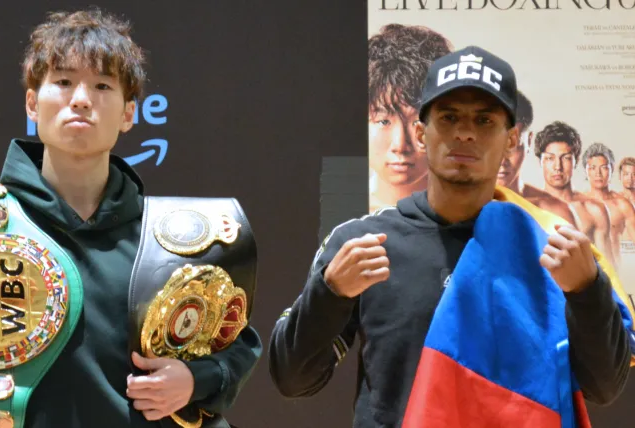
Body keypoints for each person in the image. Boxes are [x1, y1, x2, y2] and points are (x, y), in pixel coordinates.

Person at [0, 8, 260, 428]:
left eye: (102, 85)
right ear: (32, 102)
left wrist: (195, 379)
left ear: (130, 113)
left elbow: (237, 344)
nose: (80, 98)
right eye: (62, 82)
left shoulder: (166, 237)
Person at [269, 46, 633, 427]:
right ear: (422, 133)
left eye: (484, 120)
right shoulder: (365, 242)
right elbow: (293, 380)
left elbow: (605, 387)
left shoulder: (551, 246)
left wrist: (586, 290)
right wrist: (330, 293)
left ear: (511, 140)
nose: (464, 133)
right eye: (448, 117)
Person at [368, 24, 452, 212]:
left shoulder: (480, 214)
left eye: (418, 122)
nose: (400, 145)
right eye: (383, 121)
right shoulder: (336, 215)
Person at [534, 121, 616, 265]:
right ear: (540, 162)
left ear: (576, 161)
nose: (557, 166)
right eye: (549, 158)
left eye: (565, 158)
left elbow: (609, 269)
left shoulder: (595, 210)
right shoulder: (529, 207)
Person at [496, 90, 576, 225]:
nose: (503, 161)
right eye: (495, 145)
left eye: (513, 146)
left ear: (528, 141)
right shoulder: (461, 207)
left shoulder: (554, 211)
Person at [583, 142, 635, 268]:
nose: (598, 173)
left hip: (616, 275)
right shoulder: (579, 205)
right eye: (592, 168)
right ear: (586, 171)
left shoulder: (622, 205)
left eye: (604, 167)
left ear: (611, 169)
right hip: (587, 277)